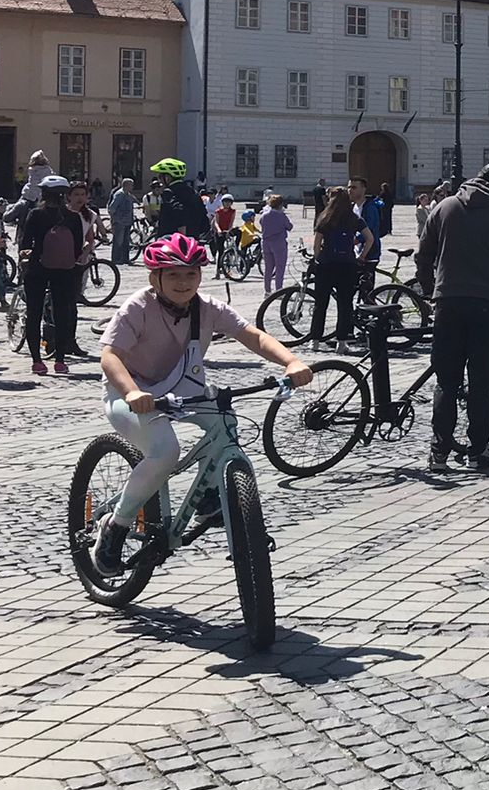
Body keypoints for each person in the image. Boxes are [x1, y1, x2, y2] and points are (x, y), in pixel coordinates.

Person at [88, 234, 314, 574]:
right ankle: (115, 526)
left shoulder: (207, 308)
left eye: (191, 274)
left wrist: (291, 362)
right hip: (130, 393)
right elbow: (110, 357)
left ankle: (210, 497)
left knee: (224, 421)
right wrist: (133, 392)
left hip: (184, 388)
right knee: (165, 452)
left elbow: (253, 336)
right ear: (155, 278)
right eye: (174, 274)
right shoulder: (137, 307)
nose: (183, 283)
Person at [415, 162, 489, 470]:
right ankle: (479, 450)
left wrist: (430, 289)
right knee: (483, 380)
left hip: (448, 302)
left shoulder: (445, 208)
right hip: (488, 305)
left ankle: (438, 452)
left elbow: (423, 254)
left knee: (446, 380)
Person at [19, 176, 89, 375]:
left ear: (43, 194)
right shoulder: (73, 217)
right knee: (62, 313)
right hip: (64, 271)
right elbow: (77, 249)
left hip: (38, 269)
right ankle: (60, 361)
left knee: (34, 312)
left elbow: (25, 243)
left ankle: (37, 361)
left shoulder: (35, 214)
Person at [307, 187, 372, 350]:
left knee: (320, 304)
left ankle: (315, 340)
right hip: (347, 265)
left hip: (326, 265)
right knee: (345, 304)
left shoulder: (325, 218)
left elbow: (316, 244)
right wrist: (361, 256)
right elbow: (370, 239)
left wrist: (318, 258)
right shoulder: (354, 218)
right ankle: (341, 342)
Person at [148, 158, 209, 241]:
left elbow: (178, 211)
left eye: (160, 177)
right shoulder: (192, 192)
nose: (159, 181)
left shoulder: (168, 192)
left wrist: (182, 236)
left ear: (167, 178)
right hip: (193, 242)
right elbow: (203, 216)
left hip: (172, 242)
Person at [106, 178, 137, 266]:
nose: (132, 187)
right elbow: (112, 208)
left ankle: (125, 259)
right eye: (131, 185)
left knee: (126, 241)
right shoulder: (119, 194)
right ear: (126, 185)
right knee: (118, 241)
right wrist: (115, 219)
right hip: (120, 222)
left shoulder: (128, 194)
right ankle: (116, 259)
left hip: (127, 221)